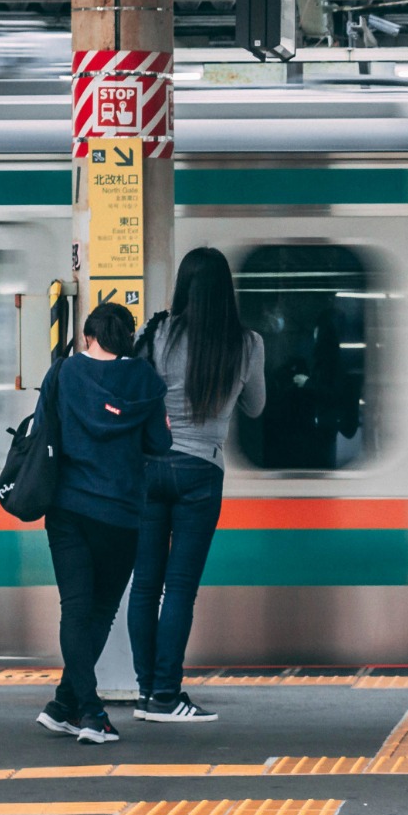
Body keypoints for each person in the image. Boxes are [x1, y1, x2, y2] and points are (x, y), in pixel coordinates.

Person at [128, 248, 267, 724]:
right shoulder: (246, 344)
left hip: (148, 469)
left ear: (184, 285)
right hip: (201, 473)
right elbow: (256, 408)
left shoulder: (158, 332)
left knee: (144, 585)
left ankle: (148, 693)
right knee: (179, 589)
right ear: (227, 289)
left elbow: (138, 391)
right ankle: (168, 695)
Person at [36, 302, 171, 745]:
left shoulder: (63, 373)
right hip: (121, 514)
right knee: (99, 611)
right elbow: (159, 442)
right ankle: (89, 713)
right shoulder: (146, 380)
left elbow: (42, 429)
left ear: (88, 336)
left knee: (76, 609)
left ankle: (64, 706)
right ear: (127, 339)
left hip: (67, 510)